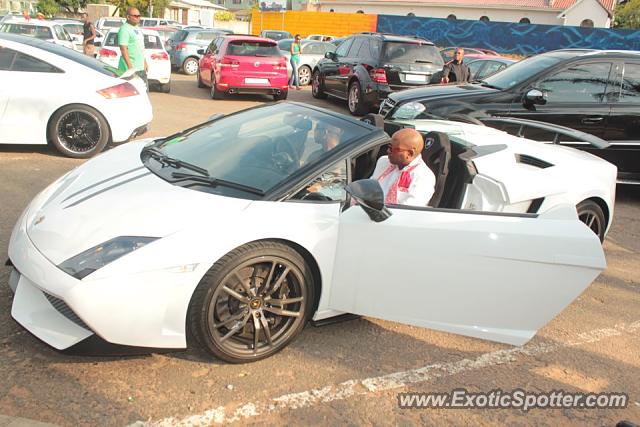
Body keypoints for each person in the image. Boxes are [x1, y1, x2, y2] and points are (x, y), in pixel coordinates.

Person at [369, 128, 435, 206]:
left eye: (392, 149)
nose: (388, 151)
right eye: (389, 146)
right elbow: (369, 189)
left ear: (409, 153)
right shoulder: (384, 161)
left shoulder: (424, 177)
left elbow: (409, 211)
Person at [118, 7, 148, 86]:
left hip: (140, 68)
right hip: (130, 69)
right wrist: (130, 67)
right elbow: (123, 49)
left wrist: (145, 62)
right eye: (135, 16)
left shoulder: (137, 28)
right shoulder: (124, 29)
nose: (138, 17)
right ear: (128, 17)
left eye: (139, 16)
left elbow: (139, 47)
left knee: (142, 93)